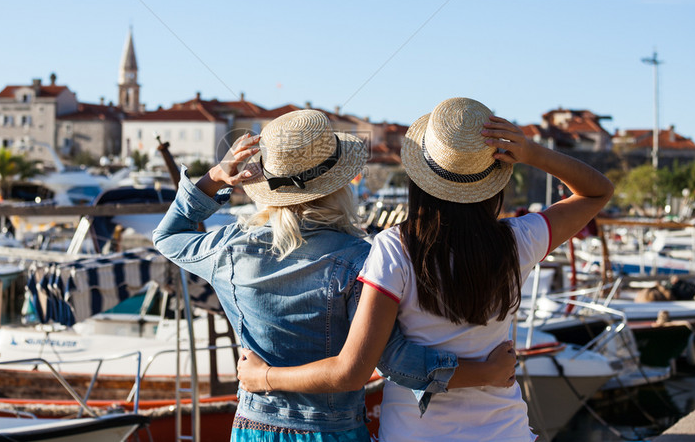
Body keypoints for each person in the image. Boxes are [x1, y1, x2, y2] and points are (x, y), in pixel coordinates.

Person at [237, 98, 614, 441]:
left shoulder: (395, 249)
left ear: (420, 177)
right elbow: (597, 191)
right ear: (494, 181)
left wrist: (262, 377)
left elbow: (351, 370)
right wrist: (532, 153)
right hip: (506, 432)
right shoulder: (520, 240)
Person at [152, 109, 516, 441]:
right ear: (339, 187)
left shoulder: (229, 250)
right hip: (331, 432)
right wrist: (486, 372)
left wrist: (215, 177)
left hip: (252, 428)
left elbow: (168, 236)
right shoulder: (361, 260)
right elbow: (394, 360)